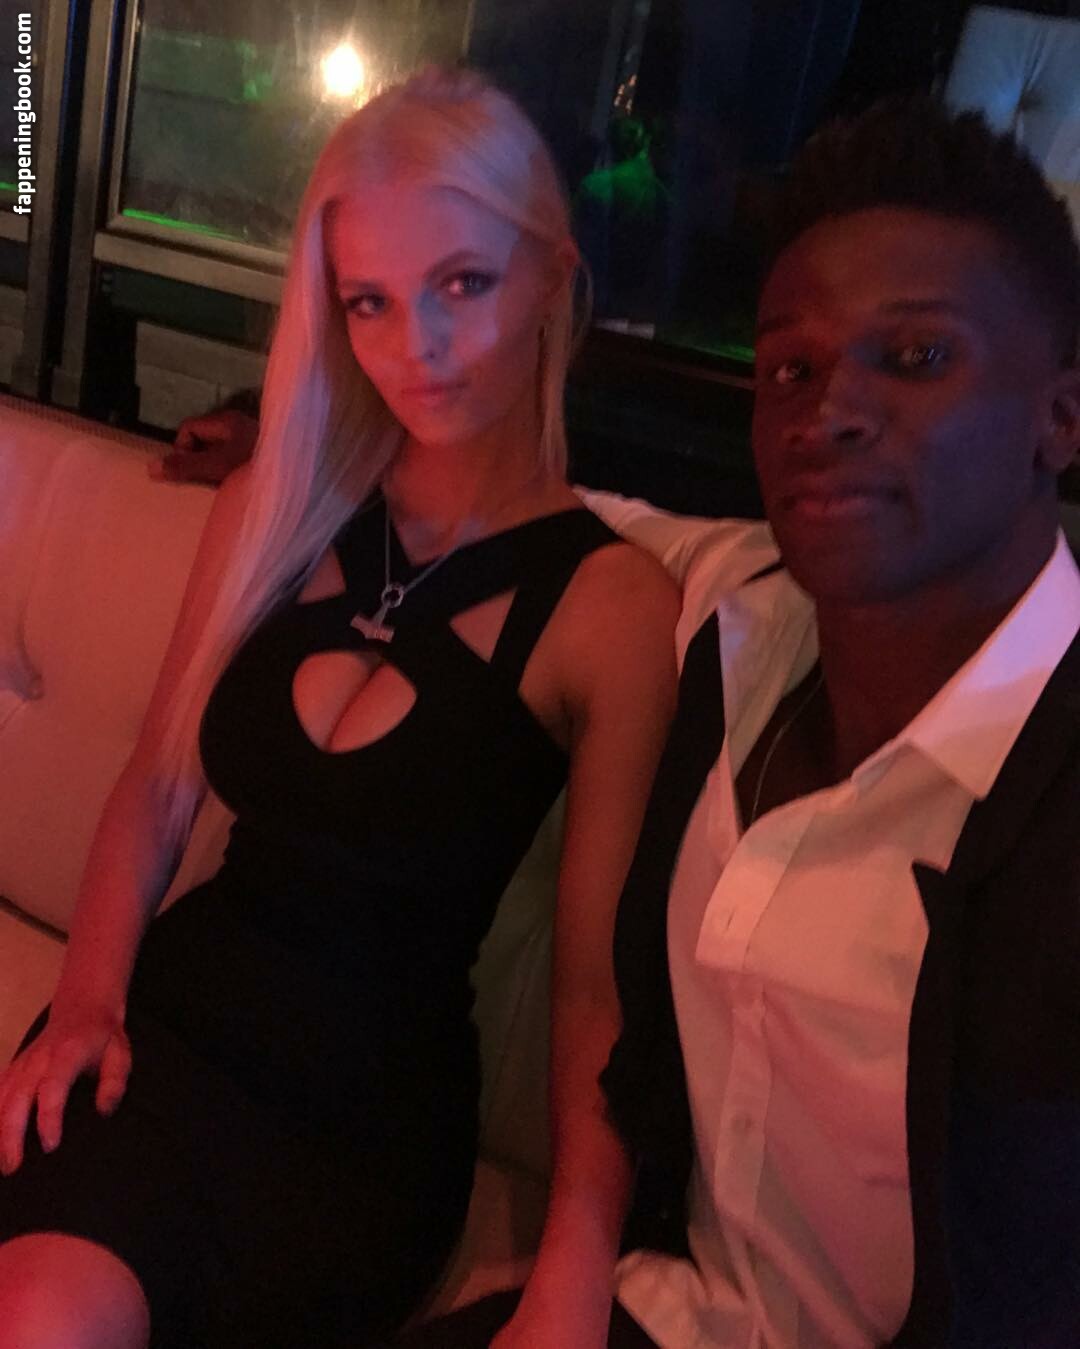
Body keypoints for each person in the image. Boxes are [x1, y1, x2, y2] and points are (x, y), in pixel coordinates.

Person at [0, 67, 680, 1349]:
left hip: (361, 1124)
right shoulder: (278, 505)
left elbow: (596, 986)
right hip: (163, 1028)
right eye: (369, 301)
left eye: (461, 284)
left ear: (552, 277)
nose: (415, 344)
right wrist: (87, 997)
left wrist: (573, 1264)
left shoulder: (613, 605)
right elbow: (157, 785)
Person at [387, 94, 1080, 1347]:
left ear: (1061, 419)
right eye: (791, 370)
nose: (830, 409)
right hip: (664, 1308)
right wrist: (316, 452)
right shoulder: (742, 619)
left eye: (916, 356)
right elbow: (560, 512)